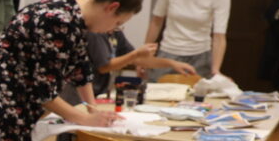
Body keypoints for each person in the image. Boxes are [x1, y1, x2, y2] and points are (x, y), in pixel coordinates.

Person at [0, 0, 145, 141]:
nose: (113, 30)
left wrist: (93, 109)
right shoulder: (60, 21)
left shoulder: (73, 10)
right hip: (1, 98)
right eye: (118, 23)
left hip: (14, 95)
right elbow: (44, 92)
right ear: (112, 7)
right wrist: (86, 119)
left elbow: (80, 69)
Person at [60, 30, 196, 106]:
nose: (119, 25)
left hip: (99, 92)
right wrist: (135, 55)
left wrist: (171, 63)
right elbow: (104, 66)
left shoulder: (116, 33)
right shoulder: (95, 33)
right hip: (77, 91)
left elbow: (138, 60)